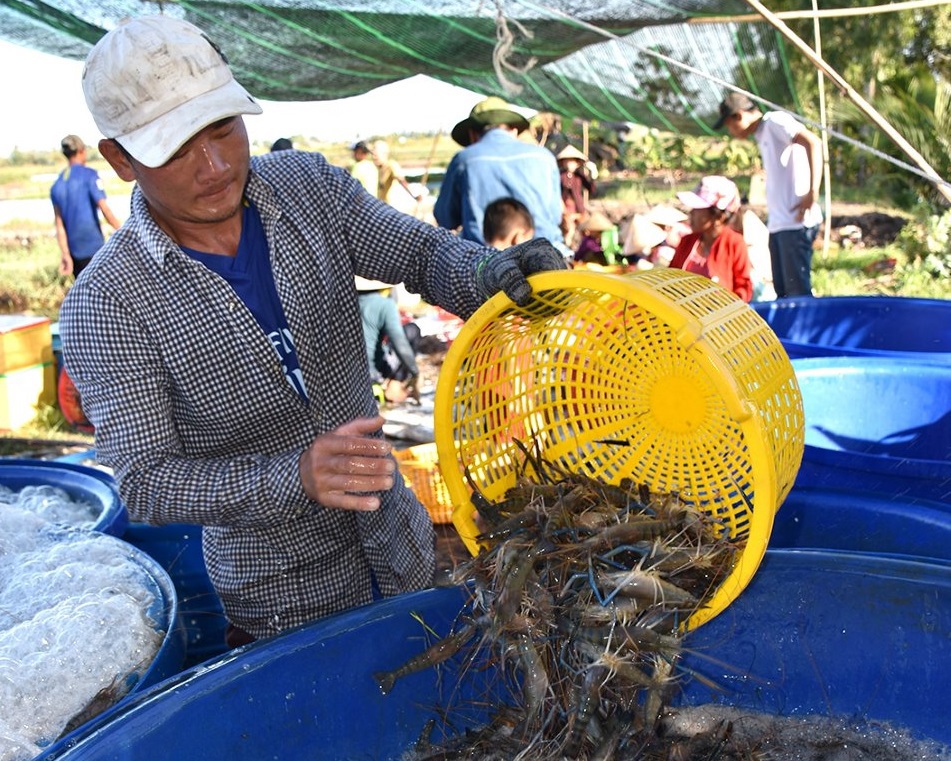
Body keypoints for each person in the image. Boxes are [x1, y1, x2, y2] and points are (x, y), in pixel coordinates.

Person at [59, 15, 567, 647]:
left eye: (222, 128)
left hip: (399, 544)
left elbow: (420, 253)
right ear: (120, 159)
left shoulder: (308, 190)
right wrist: (292, 475)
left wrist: (493, 271)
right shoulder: (106, 303)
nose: (215, 165)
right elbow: (147, 480)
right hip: (281, 596)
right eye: (177, 148)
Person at [714, 92, 823, 298]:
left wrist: (811, 193)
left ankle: (802, 330)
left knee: (797, 293)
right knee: (783, 291)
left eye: (730, 125)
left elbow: (813, 142)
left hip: (795, 222)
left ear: (739, 115)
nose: (731, 131)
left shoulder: (774, 121)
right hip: (779, 224)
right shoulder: (762, 133)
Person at [433, 97, 563, 246]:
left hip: (486, 260)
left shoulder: (464, 160)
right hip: (547, 254)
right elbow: (555, 215)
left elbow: (445, 218)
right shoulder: (544, 157)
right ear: (513, 130)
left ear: (472, 134)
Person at [669, 176, 753, 302]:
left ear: (718, 216)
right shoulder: (687, 242)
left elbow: (743, 288)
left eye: (697, 209)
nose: (691, 213)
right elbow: (669, 279)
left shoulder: (735, 243)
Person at [50, 134, 122, 277]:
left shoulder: (57, 184)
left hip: (74, 254)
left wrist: (65, 254)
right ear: (82, 151)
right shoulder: (90, 175)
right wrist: (124, 231)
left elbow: (59, 225)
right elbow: (105, 209)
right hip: (94, 250)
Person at [355, 276, 421, 405]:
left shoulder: (345, 303)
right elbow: (399, 341)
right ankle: (396, 382)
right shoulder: (384, 305)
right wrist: (415, 373)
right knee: (412, 330)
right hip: (374, 372)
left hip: (350, 371)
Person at [556, 144, 595, 248]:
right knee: (568, 230)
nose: (570, 164)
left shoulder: (579, 176)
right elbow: (556, 192)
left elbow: (591, 188)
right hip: (564, 209)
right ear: (563, 162)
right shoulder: (559, 175)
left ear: (577, 163)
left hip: (578, 209)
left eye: (572, 161)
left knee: (581, 231)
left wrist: (593, 174)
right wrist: (562, 207)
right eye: (568, 161)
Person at [370, 139, 421, 207]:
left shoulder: (391, 165)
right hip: (383, 207)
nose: (373, 157)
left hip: (392, 208)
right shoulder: (379, 169)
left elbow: (401, 180)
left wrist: (414, 195)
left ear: (385, 154)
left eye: (376, 156)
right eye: (372, 155)